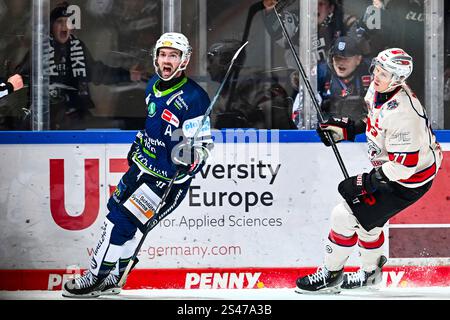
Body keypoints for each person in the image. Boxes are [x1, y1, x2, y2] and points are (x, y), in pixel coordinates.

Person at [62, 32, 213, 297]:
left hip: (166, 181)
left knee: (118, 222)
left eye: (173, 56)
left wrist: (190, 159)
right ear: (155, 57)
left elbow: (202, 147)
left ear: (184, 61)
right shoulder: (153, 84)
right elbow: (154, 124)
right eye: (163, 55)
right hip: (141, 168)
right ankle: (115, 277)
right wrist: (140, 141)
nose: (167, 61)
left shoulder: (194, 98)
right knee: (120, 216)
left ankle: (95, 277)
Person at [296, 48, 443, 293]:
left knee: (344, 216)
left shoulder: (404, 114)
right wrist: (349, 130)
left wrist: (367, 182)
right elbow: (375, 122)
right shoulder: (379, 88)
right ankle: (370, 275)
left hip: (409, 182)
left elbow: (404, 167)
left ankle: (331, 276)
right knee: (368, 222)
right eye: (377, 68)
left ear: (397, 79)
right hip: (399, 172)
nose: (376, 75)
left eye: (384, 73)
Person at [17, 1, 143, 130]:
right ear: (51, 26)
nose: (64, 26)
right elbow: (20, 78)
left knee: (120, 127)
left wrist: (128, 75)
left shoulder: (78, 48)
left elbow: (98, 72)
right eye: (59, 22)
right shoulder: (39, 50)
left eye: (68, 22)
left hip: (76, 119)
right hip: (49, 122)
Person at [317, 35, 371, 122]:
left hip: (360, 127)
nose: (341, 63)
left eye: (346, 59)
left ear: (358, 59)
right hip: (329, 126)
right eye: (337, 58)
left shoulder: (371, 70)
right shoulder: (321, 72)